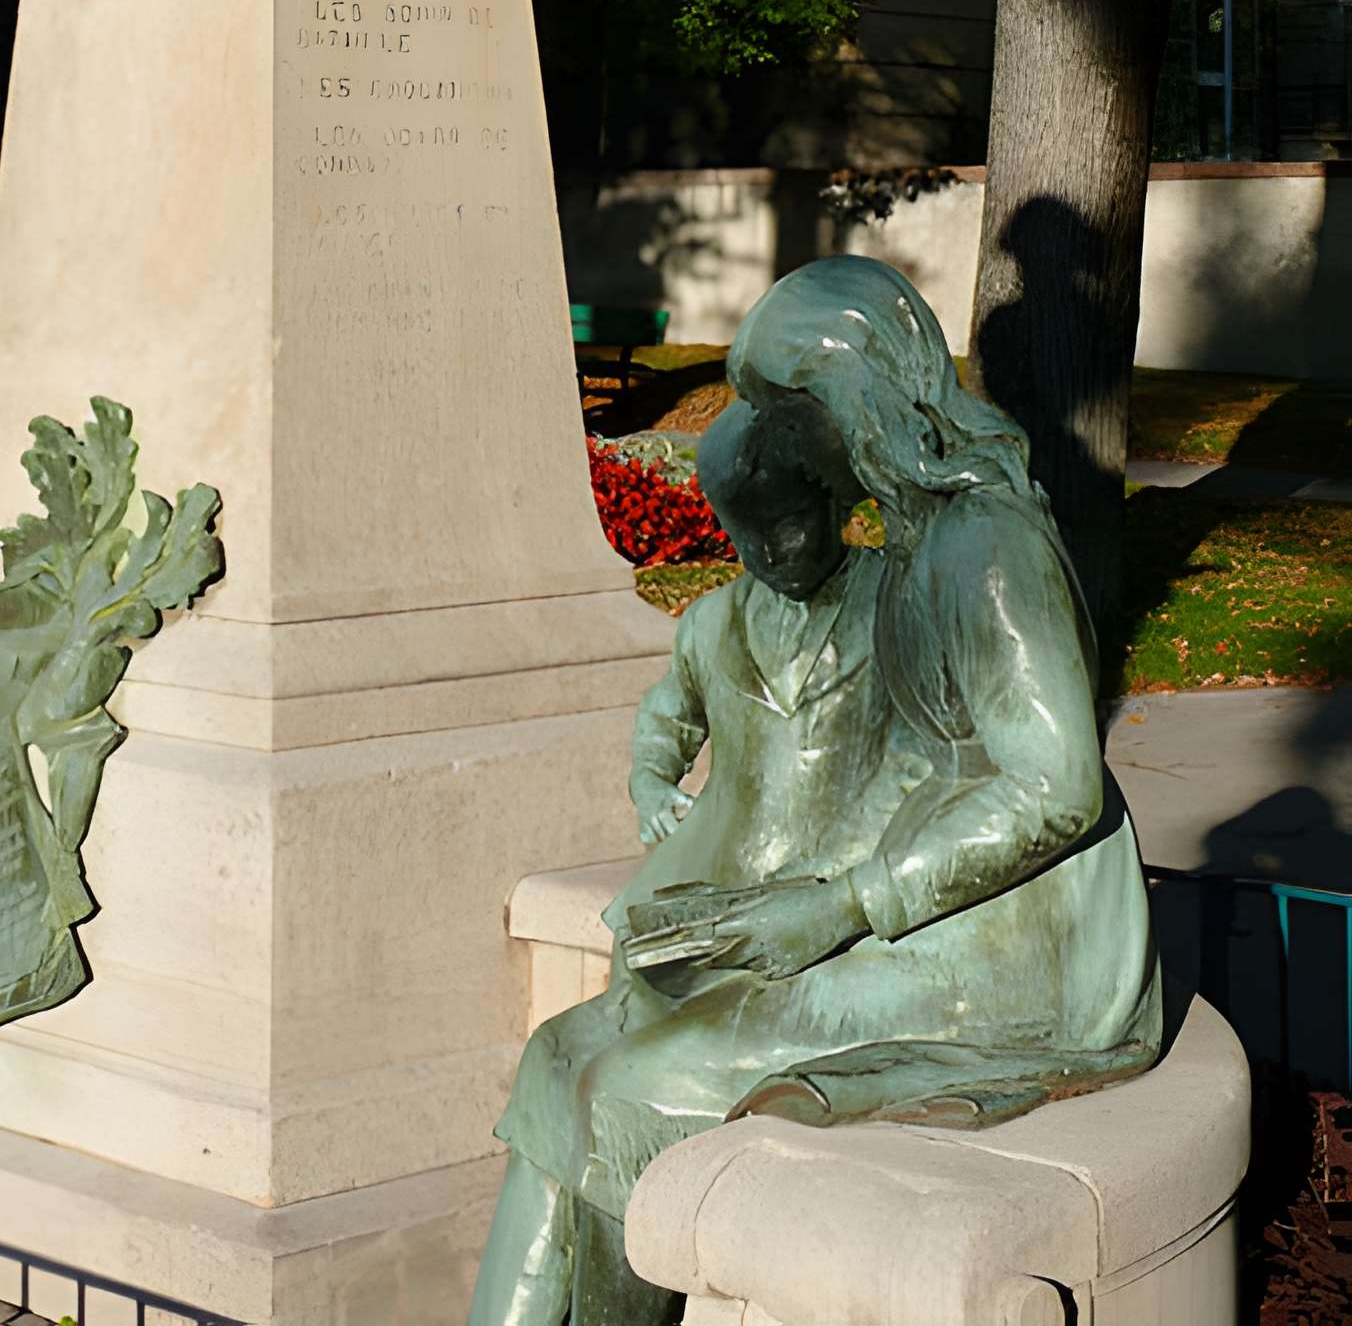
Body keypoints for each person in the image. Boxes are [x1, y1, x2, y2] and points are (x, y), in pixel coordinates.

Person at [469, 256, 1161, 1326]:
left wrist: (843, 906)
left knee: (637, 1087)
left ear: (852, 401)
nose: (770, 433)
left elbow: (1056, 788)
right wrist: (796, 892)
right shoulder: (929, 536)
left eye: (782, 406)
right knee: (565, 1047)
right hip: (931, 906)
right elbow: (915, 771)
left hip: (1033, 951)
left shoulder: (987, 548)